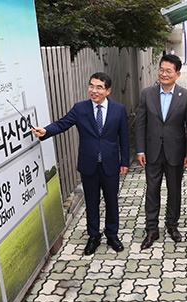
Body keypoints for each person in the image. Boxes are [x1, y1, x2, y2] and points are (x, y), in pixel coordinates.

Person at [32, 72, 129, 256]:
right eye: (91, 86)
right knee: (91, 202)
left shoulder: (119, 110)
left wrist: (124, 162)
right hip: (88, 165)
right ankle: (93, 236)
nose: (93, 90)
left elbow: (124, 138)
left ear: (108, 90)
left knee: (111, 201)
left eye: (99, 87)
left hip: (110, 164)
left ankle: (112, 235)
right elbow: (62, 124)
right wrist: (45, 131)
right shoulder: (80, 109)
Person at [136, 54, 187, 250]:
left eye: (168, 71)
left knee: (174, 191)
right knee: (152, 191)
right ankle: (151, 229)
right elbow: (140, 124)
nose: (163, 73)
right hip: (152, 151)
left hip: (176, 152)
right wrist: (140, 150)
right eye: (161, 69)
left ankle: (172, 226)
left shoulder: (186, 96)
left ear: (177, 74)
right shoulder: (147, 93)